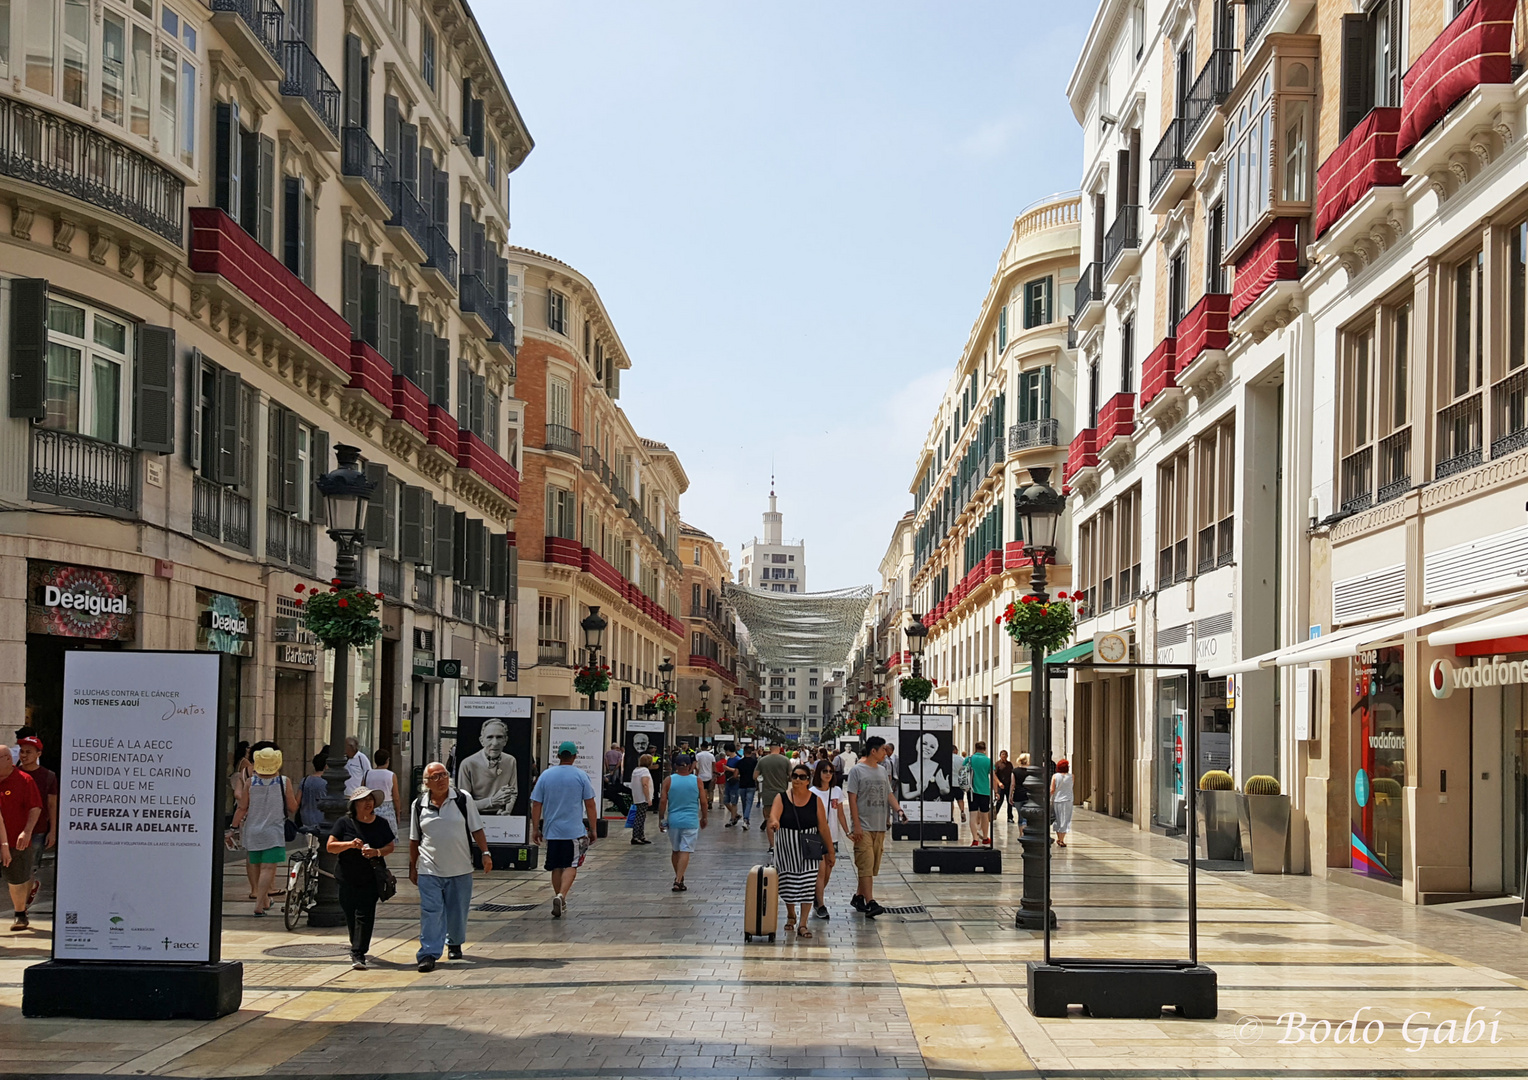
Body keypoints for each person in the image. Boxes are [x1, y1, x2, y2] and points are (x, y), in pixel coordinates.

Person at [409, 762, 492, 971]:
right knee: (431, 911)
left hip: (460, 867)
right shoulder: (419, 805)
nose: (441, 779)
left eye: (444, 775)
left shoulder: (463, 799)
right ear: (426, 782)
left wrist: (485, 853)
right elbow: (414, 839)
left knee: (457, 910)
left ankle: (454, 942)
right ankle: (428, 953)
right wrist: (413, 866)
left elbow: (477, 828)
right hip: (429, 868)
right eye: (435, 777)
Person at [327, 787, 395, 970]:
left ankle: (358, 952)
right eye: (363, 800)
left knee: (365, 915)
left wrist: (377, 852)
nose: (368, 803)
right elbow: (330, 846)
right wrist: (349, 844)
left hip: (371, 878)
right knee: (350, 913)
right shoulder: (344, 823)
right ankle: (356, 944)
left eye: (370, 799)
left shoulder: (381, 823)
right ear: (354, 804)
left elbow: (390, 846)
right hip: (346, 877)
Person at [530, 742, 598, 918]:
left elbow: (536, 804)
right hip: (573, 831)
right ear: (575, 756)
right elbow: (590, 804)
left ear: (558, 756)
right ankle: (562, 895)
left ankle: (559, 896)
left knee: (556, 866)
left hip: (552, 830)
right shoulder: (581, 776)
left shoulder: (546, 776)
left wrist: (535, 828)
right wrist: (593, 828)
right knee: (571, 864)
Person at [768, 761, 834, 937]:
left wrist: (830, 852)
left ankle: (803, 924)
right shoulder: (781, 797)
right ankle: (791, 913)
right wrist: (774, 821)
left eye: (802, 777)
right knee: (786, 883)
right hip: (786, 847)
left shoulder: (815, 800)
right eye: (795, 776)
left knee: (808, 883)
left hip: (809, 846)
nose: (797, 779)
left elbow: (823, 827)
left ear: (808, 781)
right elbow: (774, 814)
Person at [231, 747, 298, 916]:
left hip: (252, 830)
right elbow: (292, 807)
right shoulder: (284, 782)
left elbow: (242, 808)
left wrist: (232, 828)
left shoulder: (250, 782)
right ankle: (259, 905)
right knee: (268, 868)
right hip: (273, 831)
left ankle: (265, 900)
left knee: (258, 866)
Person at [847, 736, 905, 918]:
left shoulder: (881, 770)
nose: (885, 753)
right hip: (863, 826)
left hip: (879, 826)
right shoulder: (857, 771)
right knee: (865, 864)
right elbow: (852, 799)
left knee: (870, 866)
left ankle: (858, 897)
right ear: (874, 751)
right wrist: (856, 825)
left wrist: (899, 810)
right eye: (882, 750)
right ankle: (871, 902)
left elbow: (888, 793)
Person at [0, 746, 42, 931]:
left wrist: (27, 831)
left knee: (16, 879)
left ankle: (20, 914)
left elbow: (35, 807)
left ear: (8, 759)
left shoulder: (24, 780)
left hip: (16, 839)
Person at [14, 737, 57, 909]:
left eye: (28, 752)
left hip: (37, 831)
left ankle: (21, 910)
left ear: (38, 754)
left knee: (29, 869)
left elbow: (52, 805)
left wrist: (53, 831)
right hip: (13, 829)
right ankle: (26, 894)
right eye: (22, 751)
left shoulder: (48, 776)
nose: (24, 755)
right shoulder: (11, 774)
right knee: (16, 871)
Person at [659, 753, 706, 891]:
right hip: (691, 820)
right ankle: (679, 879)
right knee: (686, 849)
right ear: (690, 766)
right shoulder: (697, 781)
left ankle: (678, 877)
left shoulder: (668, 780)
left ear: (675, 766)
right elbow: (703, 801)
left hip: (674, 820)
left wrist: (661, 818)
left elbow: (663, 801)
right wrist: (704, 817)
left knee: (675, 850)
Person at [809, 759, 848, 921]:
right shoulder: (811, 791)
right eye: (825, 771)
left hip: (833, 836)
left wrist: (847, 831)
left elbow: (840, 814)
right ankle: (821, 904)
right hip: (815, 837)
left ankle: (816, 900)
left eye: (831, 772)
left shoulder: (837, 791)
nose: (828, 774)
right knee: (820, 871)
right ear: (818, 773)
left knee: (828, 871)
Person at [456, 720, 518, 817]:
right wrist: (492, 801)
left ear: (505, 740)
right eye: (490, 737)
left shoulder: (510, 761)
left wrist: (507, 810)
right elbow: (464, 802)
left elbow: (513, 792)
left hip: (500, 815)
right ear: (482, 741)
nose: (495, 743)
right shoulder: (468, 764)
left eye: (499, 737)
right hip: (474, 816)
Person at [900, 733, 951, 801]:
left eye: (932, 746)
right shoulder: (907, 769)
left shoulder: (939, 768)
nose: (927, 748)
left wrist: (943, 789)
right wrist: (918, 792)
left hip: (934, 808)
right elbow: (905, 794)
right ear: (917, 746)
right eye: (924, 743)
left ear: (935, 751)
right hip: (914, 808)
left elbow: (945, 792)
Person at [755, 742, 790, 842]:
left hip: (767, 793)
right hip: (782, 793)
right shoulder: (785, 760)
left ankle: (772, 844)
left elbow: (755, 776)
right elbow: (791, 776)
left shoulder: (762, 760)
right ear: (779, 748)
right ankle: (781, 840)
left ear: (770, 748)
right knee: (782, 817)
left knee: (769, 818)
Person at [365, 748, 403, 830]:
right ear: (387, 760)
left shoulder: (367, 774)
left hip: (371, 807)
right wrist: (398, 813)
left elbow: (362, 790)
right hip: (387, 807)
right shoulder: (391, 775)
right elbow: (396, 797)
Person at [966, 741, 995, 847]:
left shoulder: (969, 759)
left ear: (975, 748)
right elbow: (992, 776)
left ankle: (975, 839)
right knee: (984, 815)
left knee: (973, 815)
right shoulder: (988, 761)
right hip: (984, 791)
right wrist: (995, 791)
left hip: (971, 791)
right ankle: (986, 837)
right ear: (985, 749)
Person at [299, 750, 329, 831]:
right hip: (321, 818)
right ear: (326, 766)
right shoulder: (326, 782)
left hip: (305, 818)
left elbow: (298, 800)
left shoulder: (305, 780)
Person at [629, 754, 655, 845]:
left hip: (637, 796)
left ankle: (640, 835)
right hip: (643, 797)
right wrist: (648, 798)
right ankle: (636, 836)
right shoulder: (645, 771)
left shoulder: (636, 770)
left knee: (641, 816)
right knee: (640, 817)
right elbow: (645, 784)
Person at [735, 745, 760, 830]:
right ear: (751, 752)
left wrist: (739, 777)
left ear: (744, 752)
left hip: (742, 785)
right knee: (749, 803)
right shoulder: (754, 762)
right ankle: (746, 819)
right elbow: (757, 774)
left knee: (744, 803)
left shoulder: (740, 762)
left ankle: (746, 819)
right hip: (751, 785)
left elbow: (735, 775)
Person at [1051, 758, 1074, 847]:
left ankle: (1059, 837)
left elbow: (1052, 789)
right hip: (1068, 800)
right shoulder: (1071, 776)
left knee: (1058, 819)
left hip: (1057, 800)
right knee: (1065, 819)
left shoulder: (1055, 776)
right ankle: (1061, 839)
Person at [993, 750, 1015, 824]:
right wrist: (999, 783)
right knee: (999, 801)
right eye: (1002, 754)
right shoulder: (997, 764)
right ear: (1000, 755)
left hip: (1008, 785)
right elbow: (994, 774)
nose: (1004, 756)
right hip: (1001, 786)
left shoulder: (1009, 764)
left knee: (1010, 802)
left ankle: (1010, 817)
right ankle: (994, 814)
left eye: (1005, 755)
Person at [721, 748, 742, 825]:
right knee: (726, 801)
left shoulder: (738, 759)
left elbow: (738, 770)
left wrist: (728, 769)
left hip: (734, 782)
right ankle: (735, 815)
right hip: (728, 781)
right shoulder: (729, 759)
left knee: (733, 801)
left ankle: (732, 818)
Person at [951, 746, 968, 823]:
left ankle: (951, 816)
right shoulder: (961, 759)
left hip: (950, 783)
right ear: (955, 750)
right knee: (960, 799)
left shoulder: (947, 758)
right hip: (959, 782)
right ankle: (962, 811)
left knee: (950, 801)